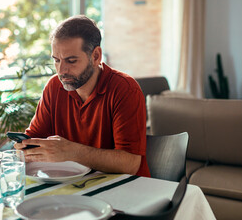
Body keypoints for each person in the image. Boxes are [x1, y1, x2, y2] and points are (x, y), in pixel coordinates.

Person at [14, 15, 150, 176]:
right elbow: (32, 142)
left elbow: (130, 165)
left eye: (71, 61)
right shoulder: (54, 87)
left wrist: (73, 151)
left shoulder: (125, 89)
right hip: (74, 185)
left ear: (96, 56)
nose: (61, 70)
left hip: (126, 189)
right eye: (56, 60)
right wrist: (24, 149)